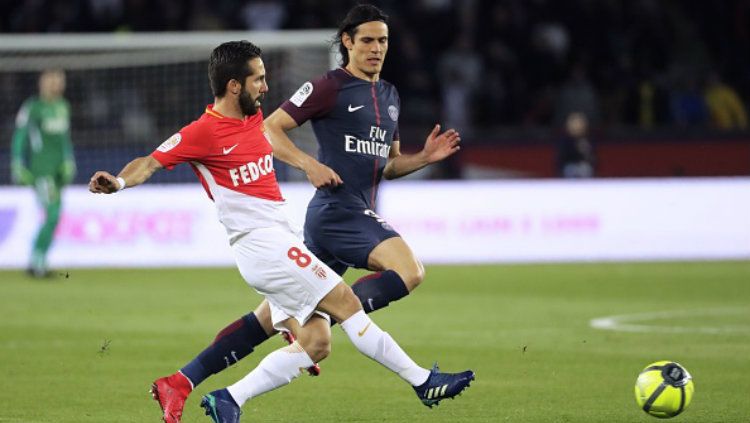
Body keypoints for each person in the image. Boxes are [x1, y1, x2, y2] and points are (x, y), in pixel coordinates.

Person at [88, 40, 473, 423]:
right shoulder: (202, 132)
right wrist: (119, 183)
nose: (266, 87)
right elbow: (150, 163)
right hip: (261, 245)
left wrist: (307, 164)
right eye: (258, 79)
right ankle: (422, 381)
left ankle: (224, 397)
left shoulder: (253, 119)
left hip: (283, 236)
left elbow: (274, 139)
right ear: (234, 85)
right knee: (345, 303)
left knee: (317, 342)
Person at [11, 69, 76, 278]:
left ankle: (38, 260)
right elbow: (20, 136)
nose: (56, 85)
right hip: (42, 170)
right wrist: (17, 163)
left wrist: (69, 160)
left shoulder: (63, 107)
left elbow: (65, 138)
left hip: (58, 171)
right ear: (42, 83)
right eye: (52, 81)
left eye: (59, 81)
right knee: (52, 214)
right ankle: (36, 261)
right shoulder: (33, 108)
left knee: (54, 216)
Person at [556, 111, 596, 178]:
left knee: (585, 168)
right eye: (574, 124)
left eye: (579, 123)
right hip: (569, 166)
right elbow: (561, 159)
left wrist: (585, 151)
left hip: (583, 166)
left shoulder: (587, 140)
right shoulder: (566, 141)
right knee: (570, 169)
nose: (577, 126)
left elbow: (593, 159)